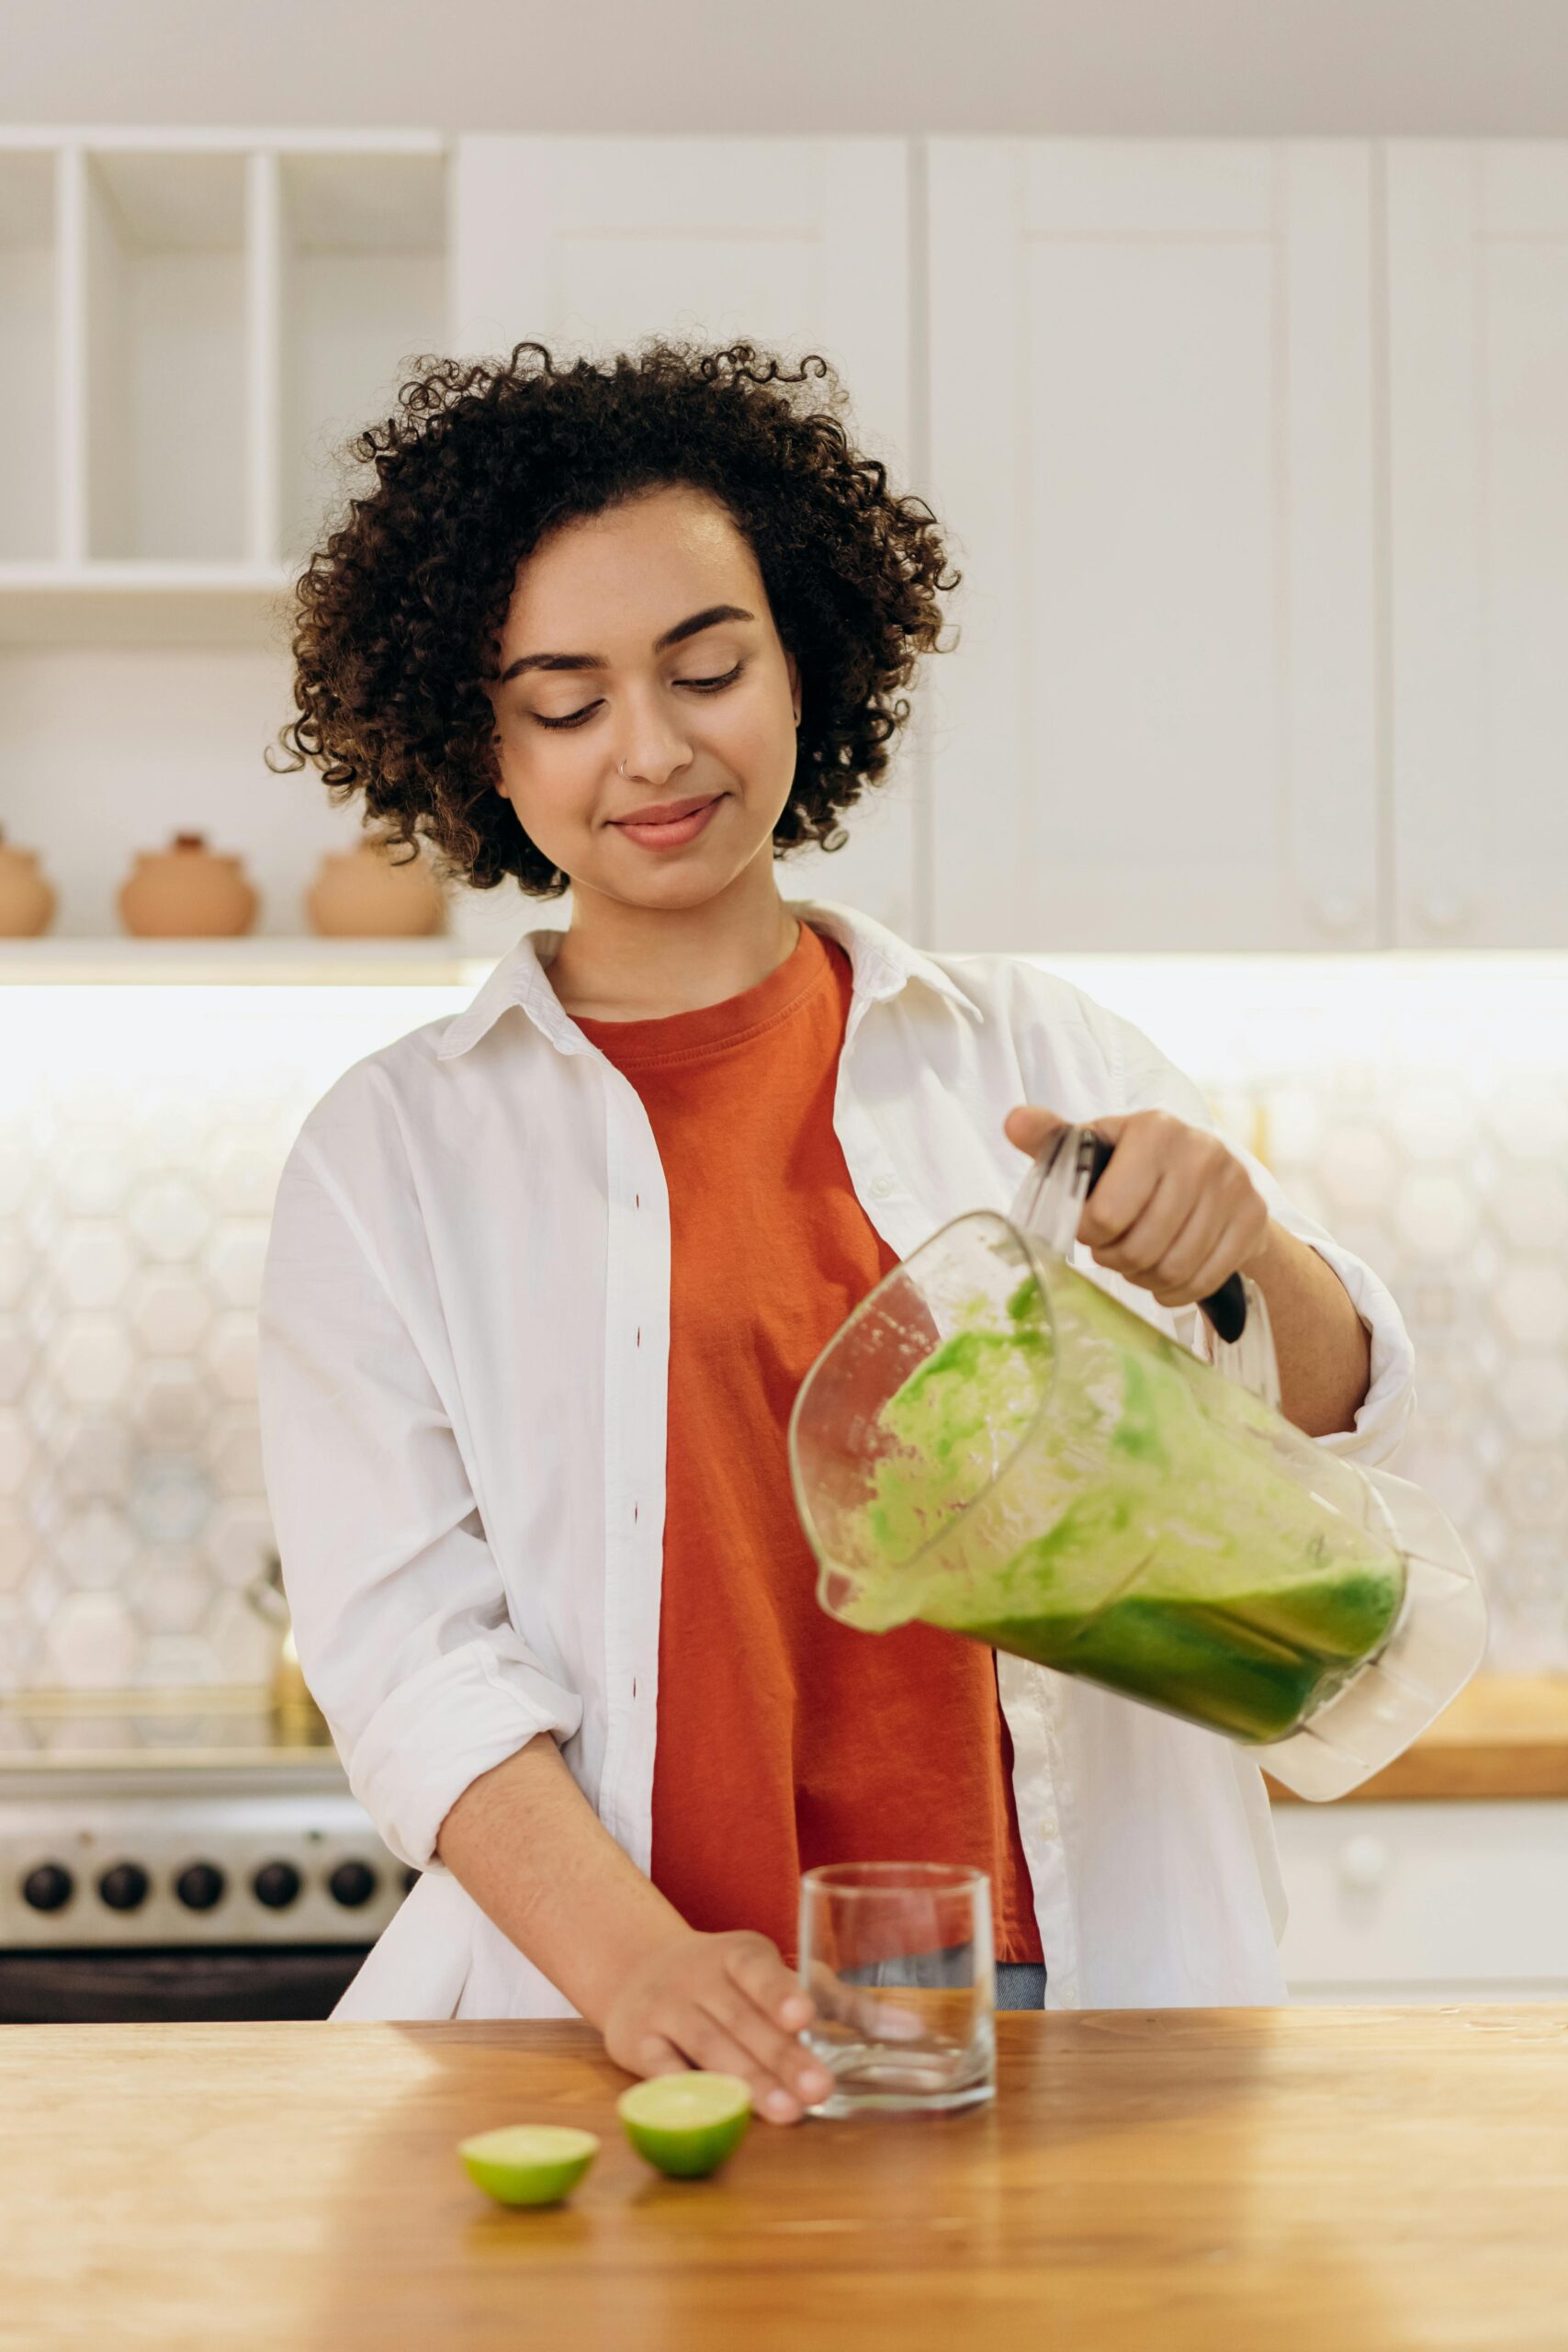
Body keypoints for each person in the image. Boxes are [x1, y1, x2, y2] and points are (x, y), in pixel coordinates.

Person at [256, 340, 1413, 2125]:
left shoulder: (1034, 1052)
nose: (650, 747)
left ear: (804, 658)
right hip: (623, 2014)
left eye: (705, 667)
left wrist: (1246, 1249)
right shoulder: (391, 1154)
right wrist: (632, 1958)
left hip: (1070, 1987)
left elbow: (1326, 1431)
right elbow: (407, 1654)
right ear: (475, 738)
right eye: (562, 703)